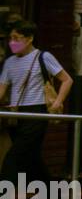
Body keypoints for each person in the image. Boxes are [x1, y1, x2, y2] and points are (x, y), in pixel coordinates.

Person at [0, 20, 74, 188]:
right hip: (15, 115)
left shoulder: (43, 57)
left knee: (13, 159)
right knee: (32, 160)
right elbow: (1, 90)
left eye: (16, 38)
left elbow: (67, 79)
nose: (12, 42)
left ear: (29, 38)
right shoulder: (10, 63)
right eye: (10, 38)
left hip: (36, 112)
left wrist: (58, 102)